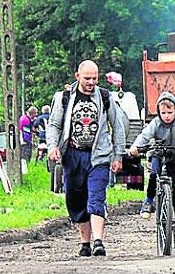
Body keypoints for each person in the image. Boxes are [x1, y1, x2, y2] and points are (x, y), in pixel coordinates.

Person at [46, 60, 126, 257]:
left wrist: (118, 155)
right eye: (87, 78)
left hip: (98, 155)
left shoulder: (105, 97)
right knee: (76, 199)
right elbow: (54, 125)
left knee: (96, 197)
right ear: (77, 76)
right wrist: (52, 147)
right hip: (73, 155)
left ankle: (98, 241)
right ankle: (85, 243)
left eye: (95, 78)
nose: (91, 82)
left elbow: (118, 127)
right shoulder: (63, 97)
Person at [128, 92, 175, 248]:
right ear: (158, 112)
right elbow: (144, 135)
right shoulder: (155, 123)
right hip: (158, 156)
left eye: (170, 112)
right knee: (154, 174)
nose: (167, 116)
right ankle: (148, 201)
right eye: (163, 113)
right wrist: (135, 146)